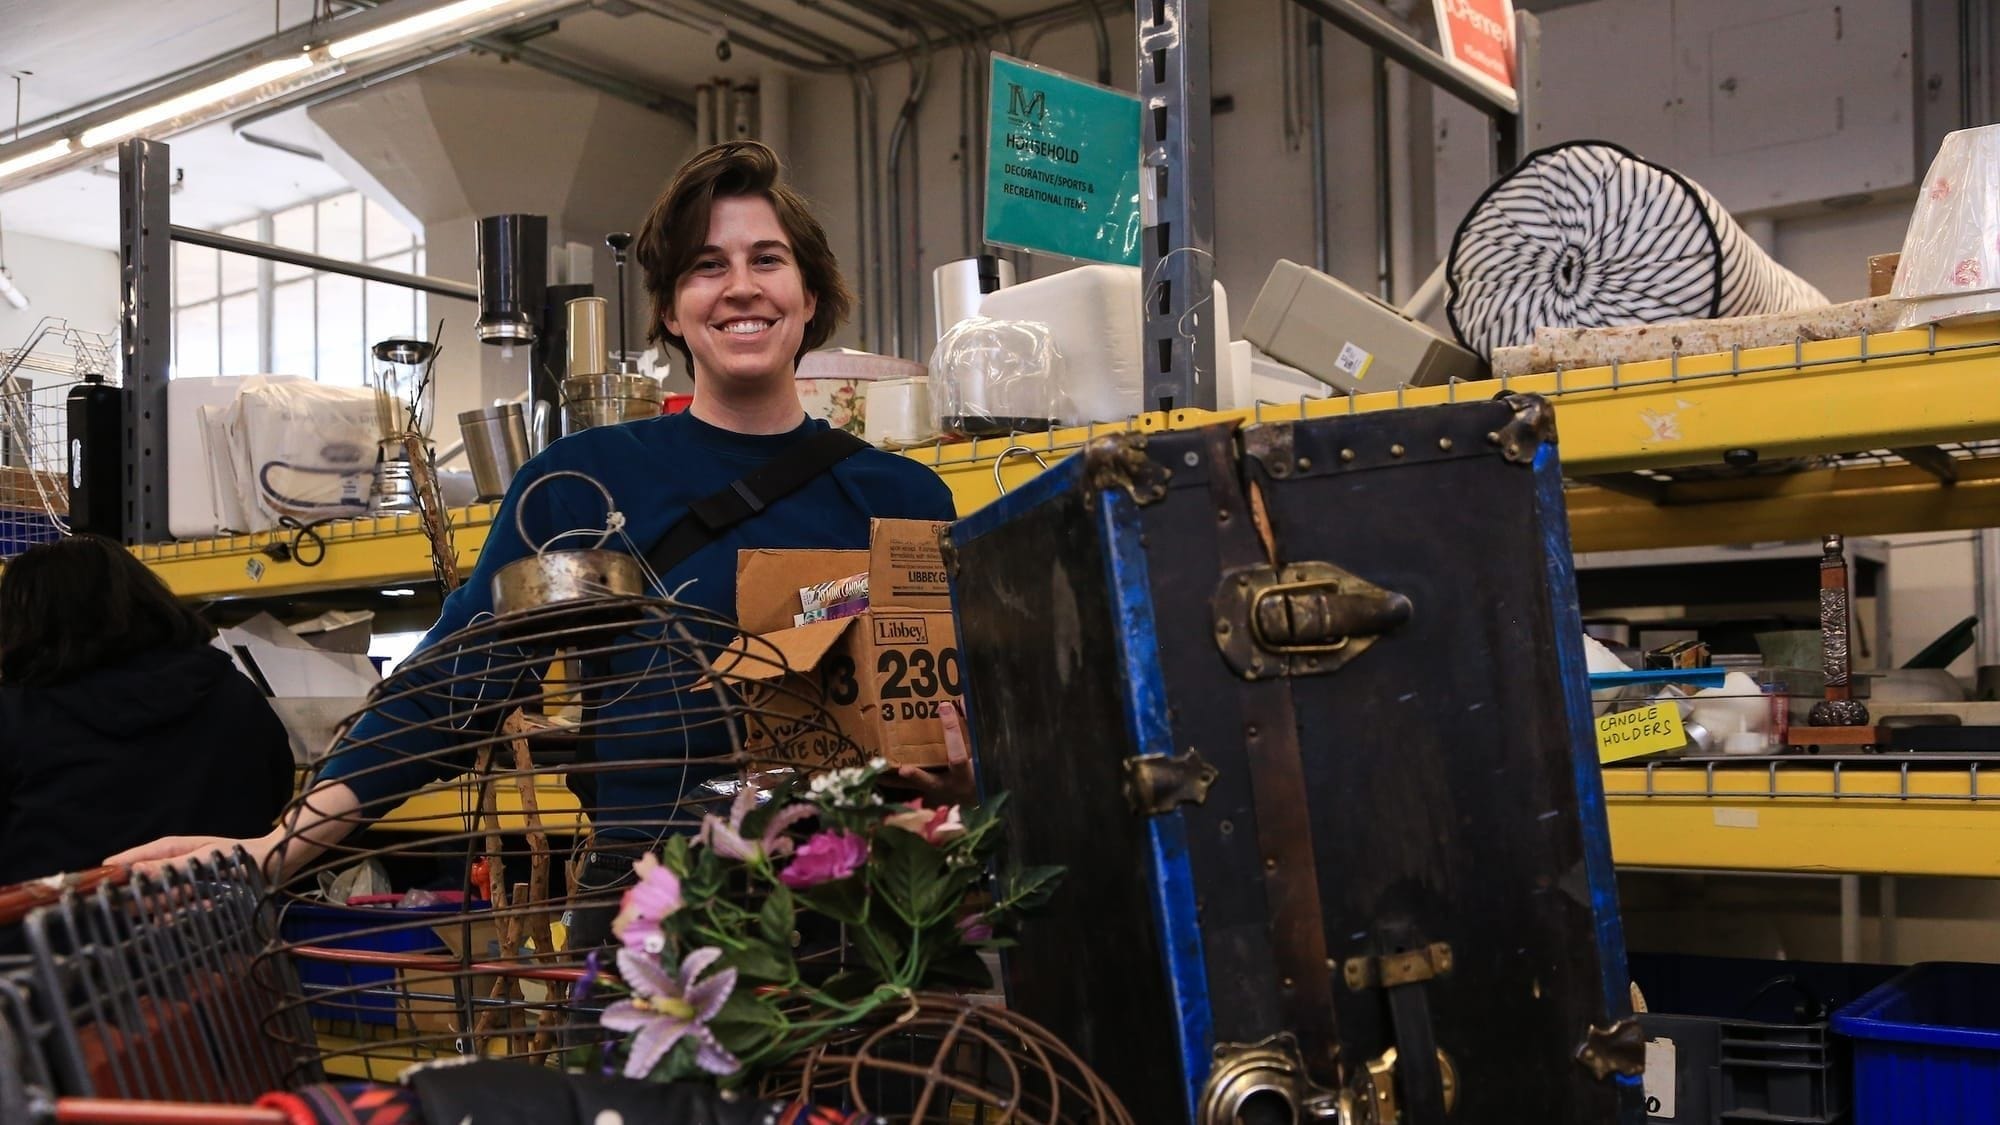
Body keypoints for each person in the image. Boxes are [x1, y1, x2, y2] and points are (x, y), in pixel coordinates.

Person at [109, 141, 973, 907]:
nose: (741, 285)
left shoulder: (902, 497)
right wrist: (274, 848)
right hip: (655, 911)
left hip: (864, 910)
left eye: (768, 259)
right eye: (706, 266)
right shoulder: (585, 483)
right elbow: (452, 686)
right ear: (670, 310)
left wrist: (966, 767)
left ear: (810, 295)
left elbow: (964, 709)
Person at [0, 535, 294, 885]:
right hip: (224, 913)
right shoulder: (234, 694)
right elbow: (278, 797)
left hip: (55, 918)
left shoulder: (17, 716)